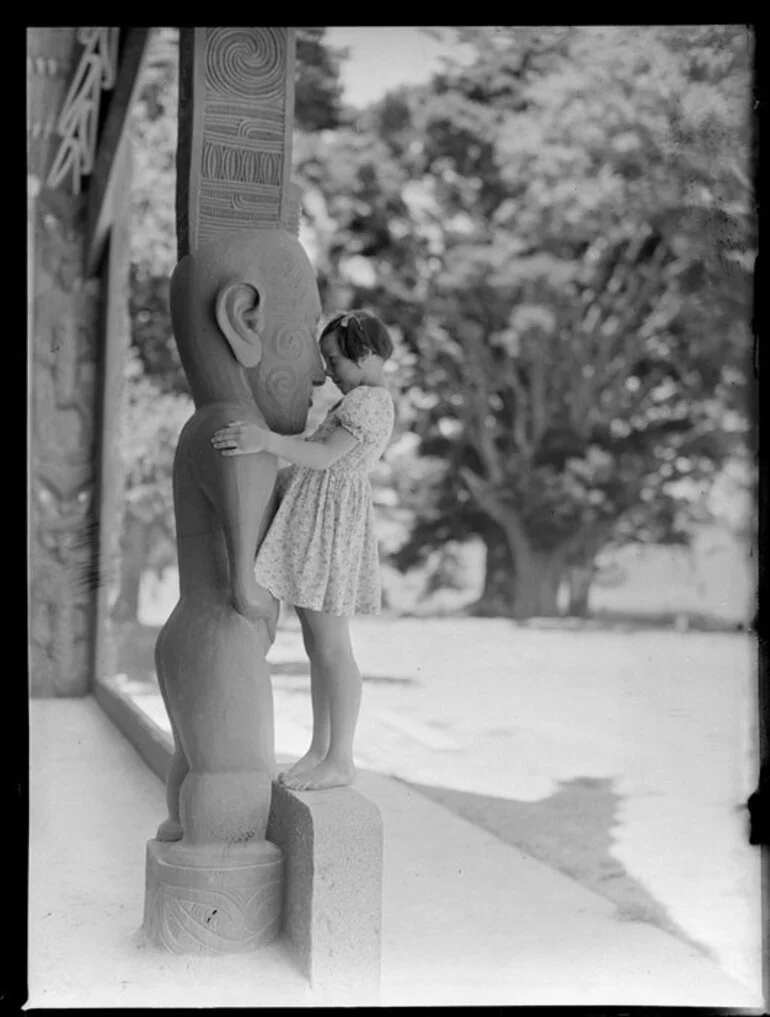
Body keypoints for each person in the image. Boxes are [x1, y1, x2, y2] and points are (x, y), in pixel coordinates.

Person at [210, 311, 395, 790]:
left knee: (333, 648)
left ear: (367, 354)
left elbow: (323, 457)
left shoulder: (369, 403)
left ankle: (341, 758)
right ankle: (321, 749)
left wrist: (265, 441)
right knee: (320, 647)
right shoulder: (360, 400)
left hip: (330, 528)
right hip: (320, 523)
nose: (329, 369)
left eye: (335, 358)